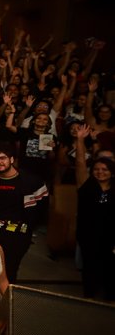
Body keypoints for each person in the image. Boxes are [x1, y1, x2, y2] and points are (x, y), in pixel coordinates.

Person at [0, 142, 48, 282]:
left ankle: (7, 294)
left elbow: (42, 208)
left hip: (18, 233)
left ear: (12, 159)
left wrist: (30, 228)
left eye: (2, 158)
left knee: (9, 269)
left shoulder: (32, 181)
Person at [72, 125, 115, 300]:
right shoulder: (86, 185)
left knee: (111, 269)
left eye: (105, 170)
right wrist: (80, 140)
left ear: (112, 173)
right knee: (90, 268)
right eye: (97, 169)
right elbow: (80, 163)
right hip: (89, 236)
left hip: (111, 237)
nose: (100, 172)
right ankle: (89, 298)